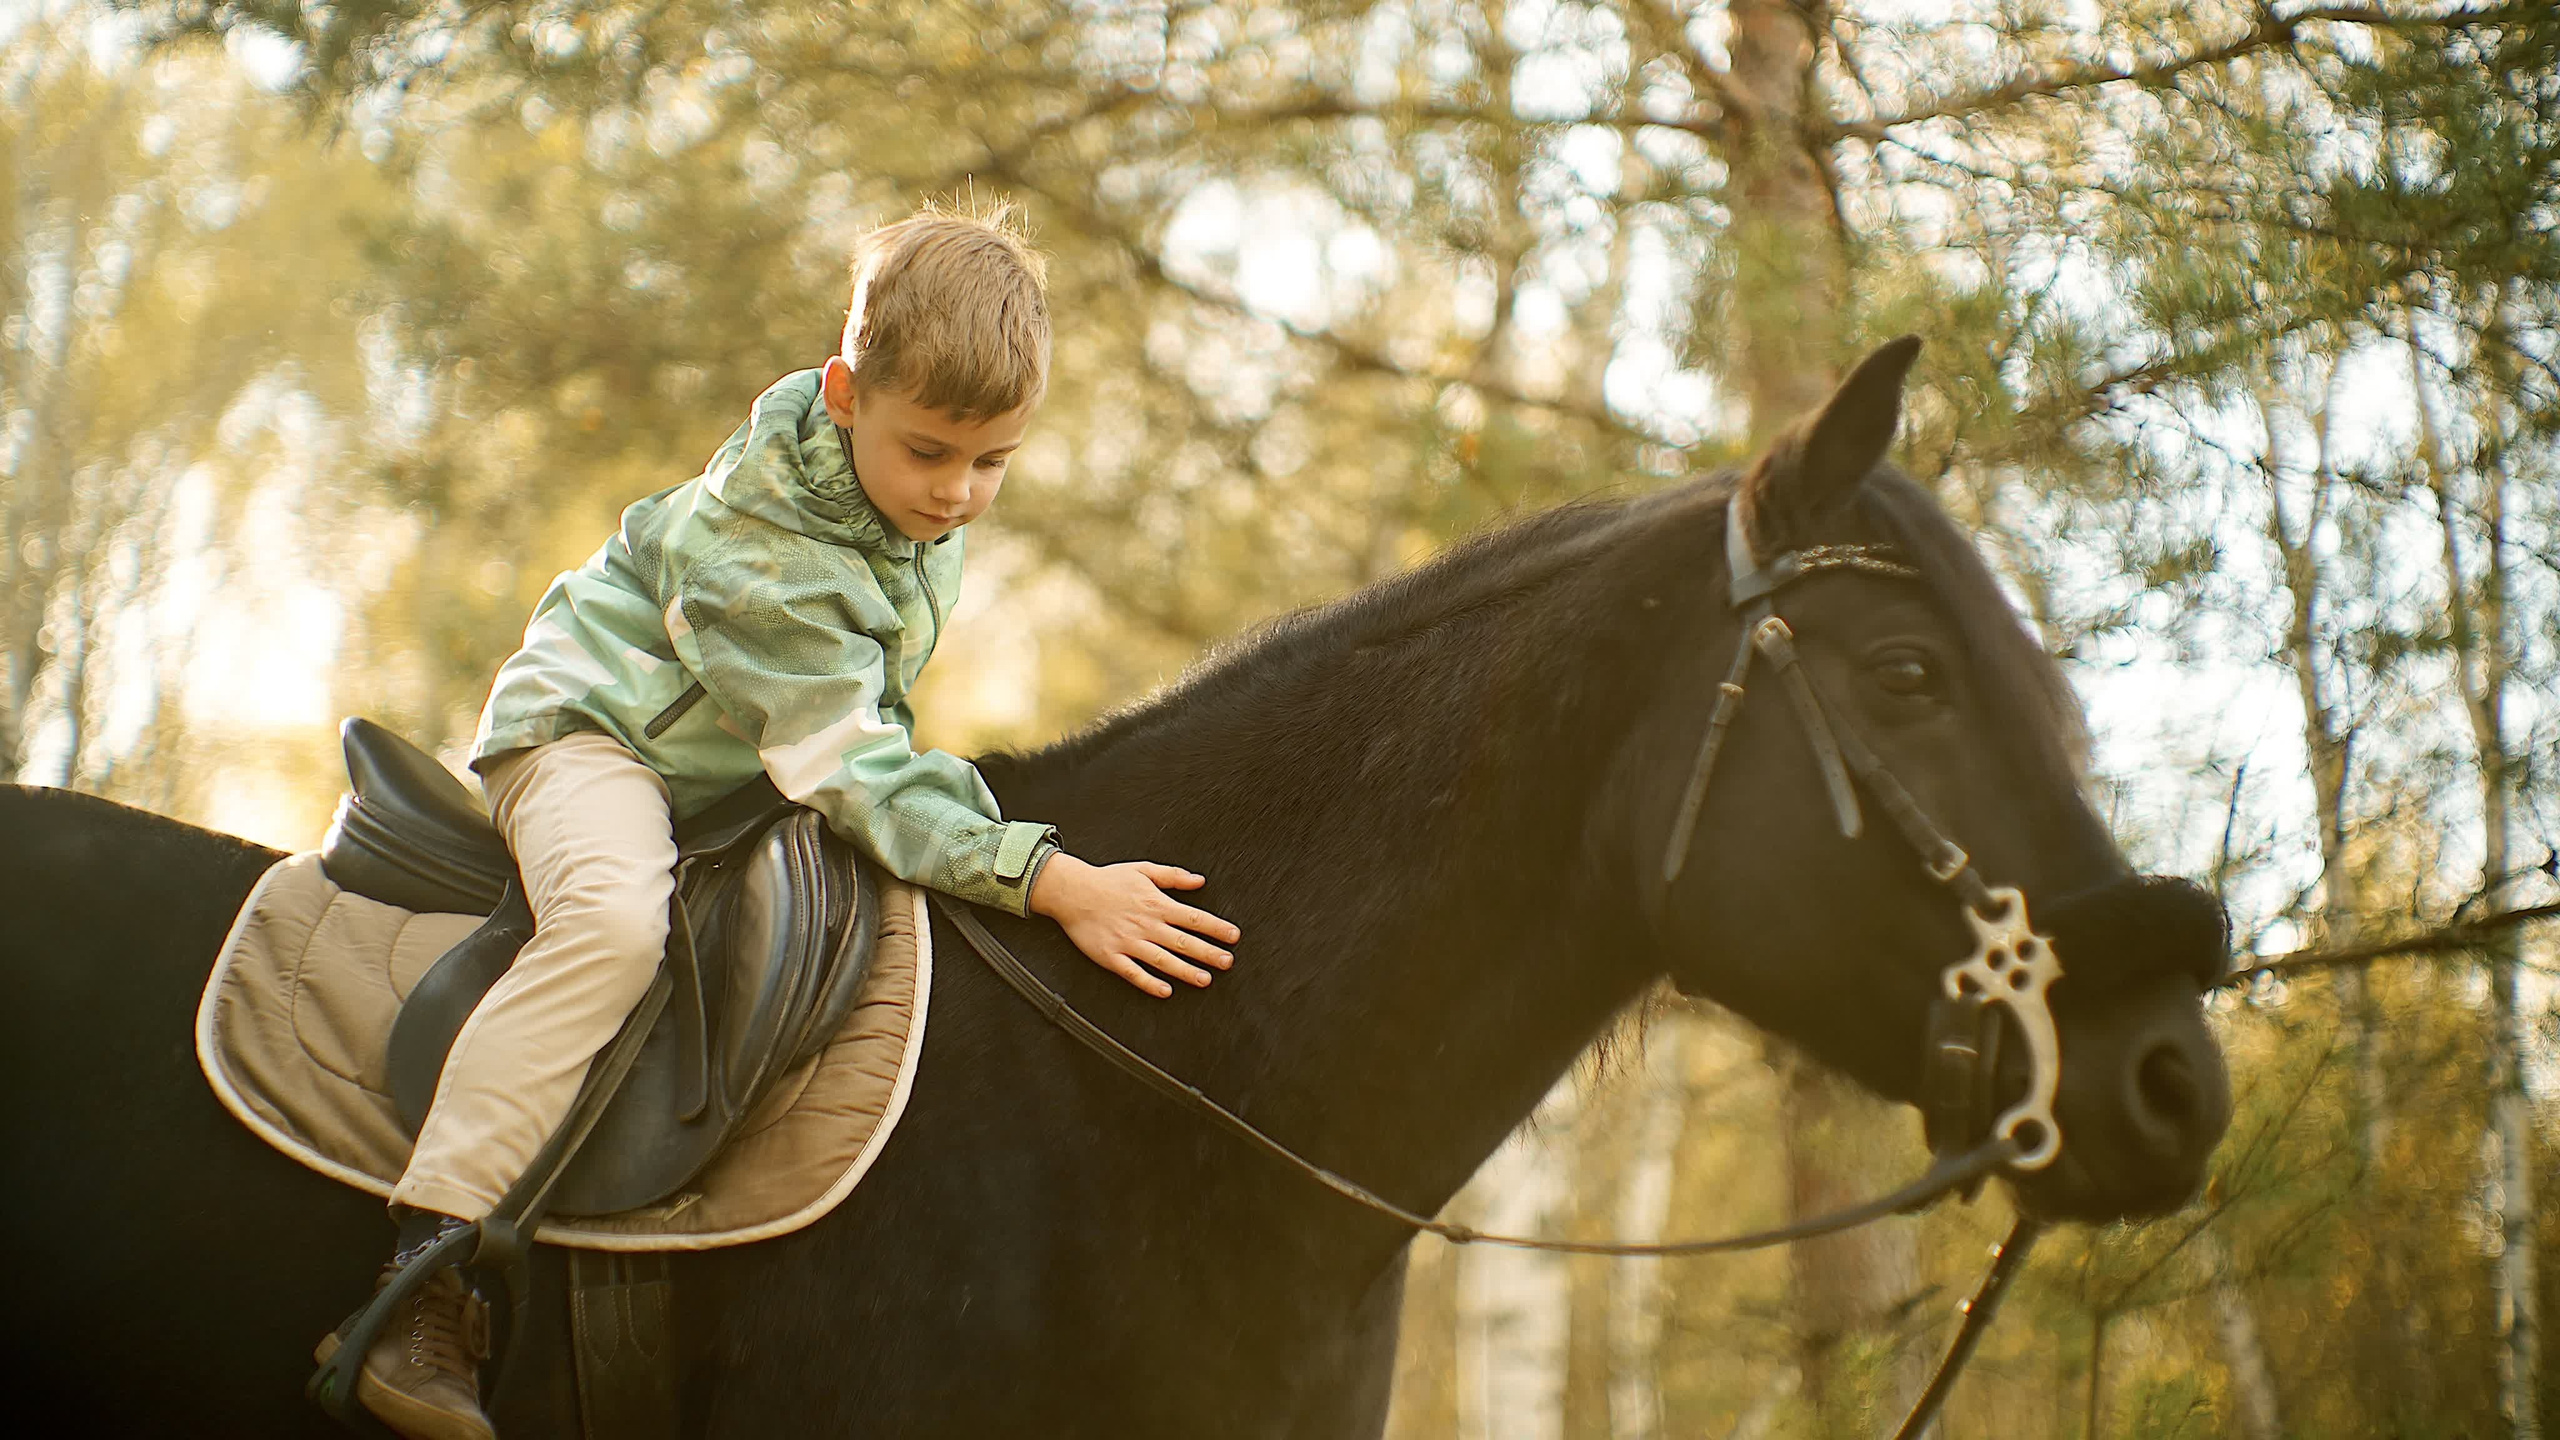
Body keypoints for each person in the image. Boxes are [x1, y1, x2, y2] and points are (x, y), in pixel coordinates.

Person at [316, 203, 1241, 1440]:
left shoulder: (904, 504)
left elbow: (860, 715)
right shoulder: (758, 553)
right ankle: (427, 1268)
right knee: (612, 924)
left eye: (992, 463)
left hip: (730, 762)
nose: (958, 492)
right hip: (597, 735)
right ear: (846, 392)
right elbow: (852, 766)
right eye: (931, 453)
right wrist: (1048, 876)